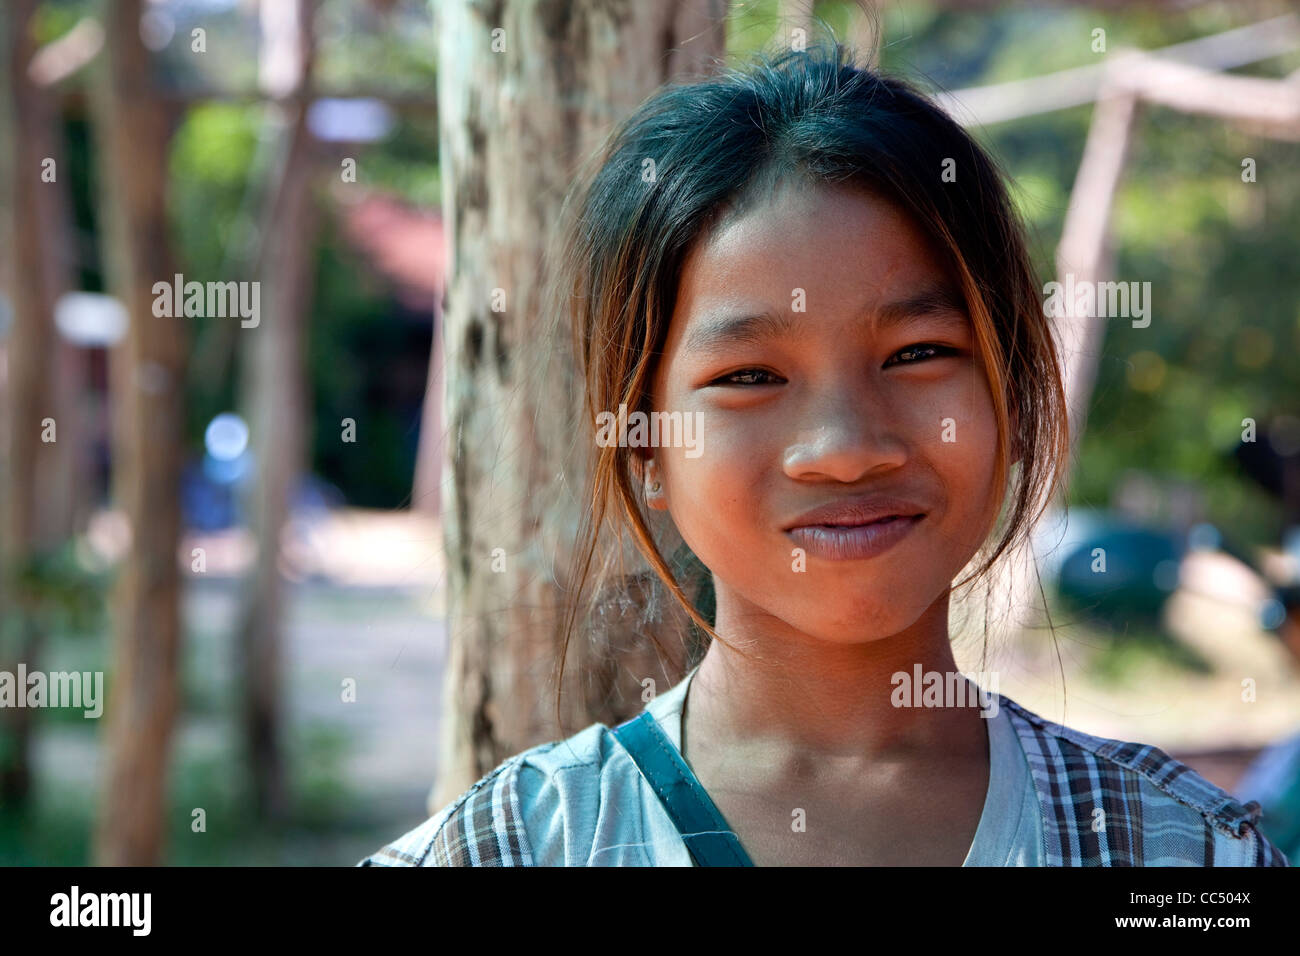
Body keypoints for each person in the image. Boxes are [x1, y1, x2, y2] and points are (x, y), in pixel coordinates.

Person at [361, 39, 1287, 867]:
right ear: (644, 444)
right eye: (751, 376)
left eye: (918, 355)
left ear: (1013, 396)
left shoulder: (1179, 855)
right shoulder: (511, 850)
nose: (846, 449)